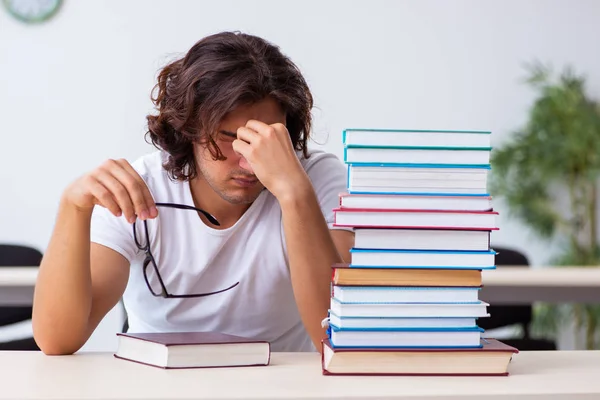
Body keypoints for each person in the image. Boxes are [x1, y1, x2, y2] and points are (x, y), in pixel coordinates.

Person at [32, 31, 354, 355]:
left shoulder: (315, 180)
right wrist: (73, 207)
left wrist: (294, 192)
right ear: (189, 130)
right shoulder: (141, 187)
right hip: (157, 382)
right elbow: (58, 340)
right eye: (228, 138)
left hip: (281, 382)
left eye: (265, 139)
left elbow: (338, 338)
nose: (249, 162)